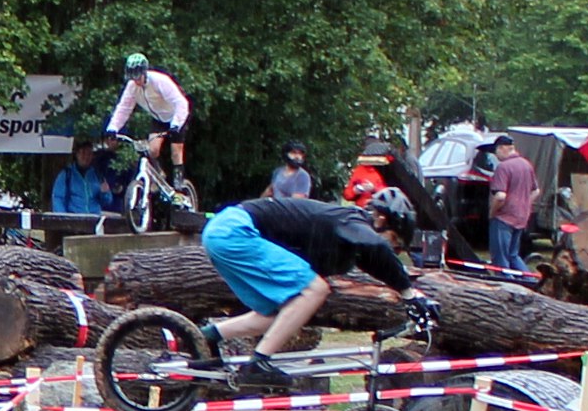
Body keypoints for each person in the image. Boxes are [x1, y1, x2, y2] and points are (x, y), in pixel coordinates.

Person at [198, 189, 436, 386]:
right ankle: (258, 363)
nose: (392, 249)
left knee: (277, 313)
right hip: (235, 231)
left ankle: (206, 337)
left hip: (224, 231)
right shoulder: (351, 220)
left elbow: (379, 266)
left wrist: (410, 298)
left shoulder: (352, 240)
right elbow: (376, 247)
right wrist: (409, 293)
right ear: (381, 221)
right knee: (315, 290)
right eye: (394, 240)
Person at [104, 53, 192, 186]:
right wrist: (112, 128)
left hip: (176, 116)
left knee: (176, 150)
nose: (136, 80)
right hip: (158, 119)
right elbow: (124, 108)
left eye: (138, 76)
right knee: (152, 150)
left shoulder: (160, 81)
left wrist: (176, 125)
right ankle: (158, 174)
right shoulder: (132, 86)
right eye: (132, 77)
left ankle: (179, 182)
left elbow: (181, 103)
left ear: (144, 72)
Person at [488, 135, 539, 272]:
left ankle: (505, 285)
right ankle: (530, 281)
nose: (496, 155)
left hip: (504, 218)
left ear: (502, 148)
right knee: (513, 255)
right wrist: (525, 205)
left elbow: (500, 196)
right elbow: (536, 191)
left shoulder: (503, 167)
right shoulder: (526, 164)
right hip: (521, 217)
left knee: (500, 259)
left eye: (496, 151)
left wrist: (492, 213)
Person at [52, 138, 113, 214]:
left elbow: (107, 201)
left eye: (89, 154)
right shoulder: (66, 175)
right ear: (77, 154)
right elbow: (58, 199)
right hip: (75, 219)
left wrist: (105, 193)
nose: (86, 157)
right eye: (83, 153)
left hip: (94, 219)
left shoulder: (97, 175)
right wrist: (63, 219)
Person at [343, 141, 391, 208]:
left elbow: (390, 194)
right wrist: (354, 191)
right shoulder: (359, 170)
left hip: (379, 209)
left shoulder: (386, 168)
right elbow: (347, 194)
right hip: (361, 210)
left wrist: (374, 189)